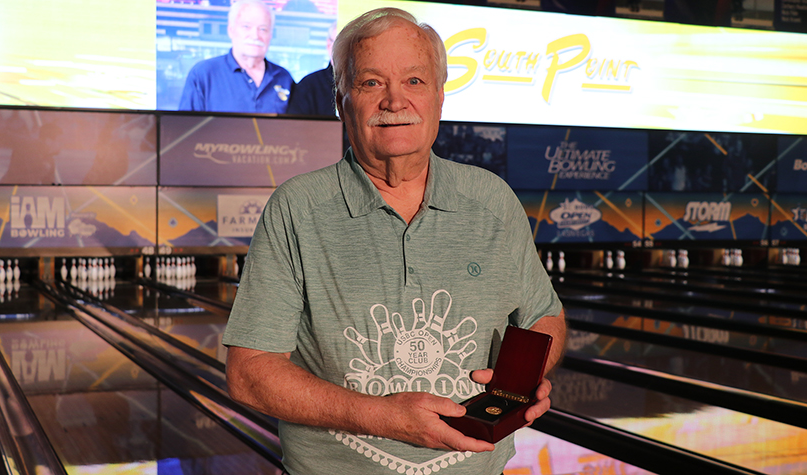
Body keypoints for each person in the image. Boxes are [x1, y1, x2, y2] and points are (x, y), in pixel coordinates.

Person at [223, 7, 566, 475]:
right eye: (370, 83)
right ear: (342, 102)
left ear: (440, 97)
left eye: (414, 81)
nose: (394, 101)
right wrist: (382, 417)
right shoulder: (297, 209)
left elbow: (544, 315)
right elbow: (249, 373)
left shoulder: (492, 199)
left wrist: (524, 380)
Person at [178, 0, 294, 113]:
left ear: (270, 35)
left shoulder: (284, 78)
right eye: (246, 26)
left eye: (263, 29)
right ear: (231, 30)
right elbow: (184, 128)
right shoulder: (204, 74)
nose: (255, 35)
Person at [286, 23, 337, 117]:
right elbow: (294, 128)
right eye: (340, 44)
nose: (347, 50)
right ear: (329, 46)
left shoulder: (370, 85)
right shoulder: (307, 87)